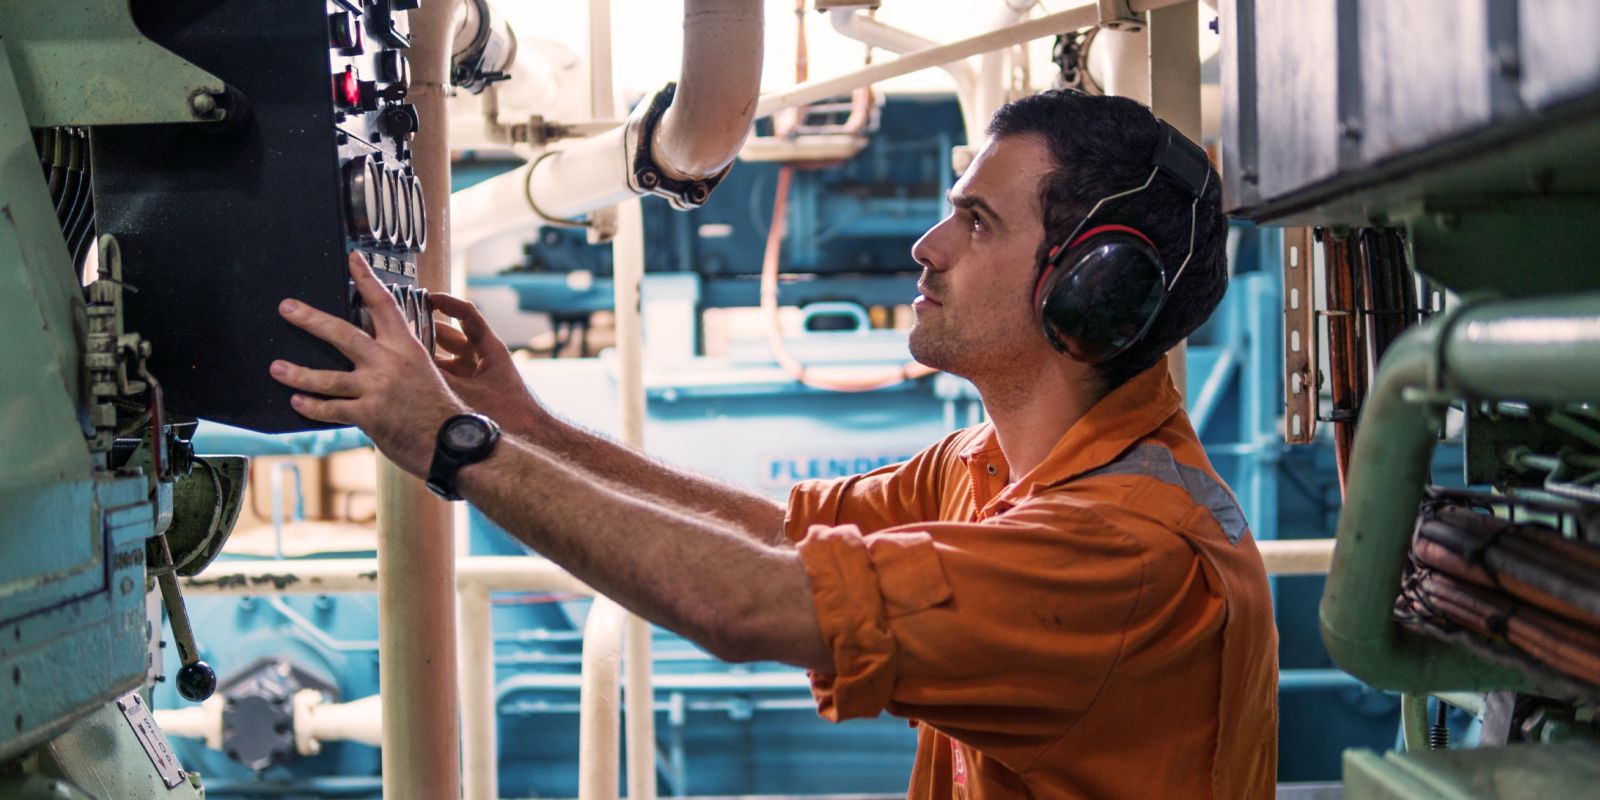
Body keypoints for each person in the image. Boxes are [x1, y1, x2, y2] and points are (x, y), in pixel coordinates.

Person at [270, 90, 1277, 798]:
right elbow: (774, 535)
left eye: (974, 220)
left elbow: (745, 601)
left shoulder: (1128, 556)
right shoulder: (984, 466)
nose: (927, 247)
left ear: (1094, 284)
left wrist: (453, 444)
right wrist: (528, 428)